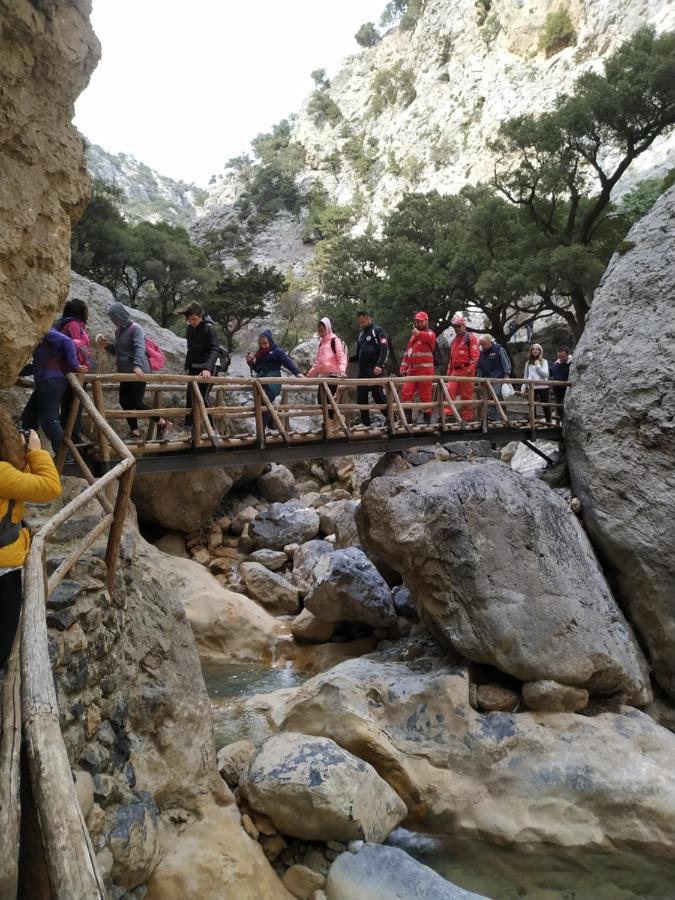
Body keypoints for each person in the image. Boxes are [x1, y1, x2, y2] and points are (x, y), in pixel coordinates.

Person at [0, 410, 61, 669]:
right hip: (3, 570)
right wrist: (36, 452)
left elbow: (17, 485)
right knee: (2, 644)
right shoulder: (2, 473)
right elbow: (50, 487)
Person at [96, 302, 169, 441]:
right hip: (125, 372)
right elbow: (119, 351)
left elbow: (139, 348)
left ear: (120, 315)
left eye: (114, 317)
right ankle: (135, 431)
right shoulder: (119, 331)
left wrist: (137, 365)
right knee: (124, 401)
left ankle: (163, 423)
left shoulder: (136, 329)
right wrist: (107, 346)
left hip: (138, 371)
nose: (113, 321)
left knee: (136, 402)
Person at [21, 327, 87, 453]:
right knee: (28, 417)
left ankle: (65, 456)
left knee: (48, 420)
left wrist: (75, 365)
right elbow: (37, 365)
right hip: (45, 382)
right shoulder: (38, 337)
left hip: (51, 382)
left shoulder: (45, 332)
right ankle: (32, 452)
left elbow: (67, 341)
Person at [246, 330, 302, 431]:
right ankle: (272, 423)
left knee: (265, 401)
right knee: (261, 404)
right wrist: (251, 363)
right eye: (261, 344)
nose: (263, 346)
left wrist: (298, 373)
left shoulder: (277, 351)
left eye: (265, 343)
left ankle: (261, 432)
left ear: (270, 341)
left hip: (273, 382)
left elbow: (288, 363)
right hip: (261, 382)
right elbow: (258, 369)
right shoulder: (259, 354)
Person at [56, 298, 94, 444]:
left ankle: (68, 443)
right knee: (74, 409)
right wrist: (81, 363)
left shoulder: (64, 324)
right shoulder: (74, 325)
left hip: (65, 371)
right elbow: (76, 347)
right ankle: (74, 441)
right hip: (75, 372)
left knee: (67, 408)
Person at [181, 301, 220, 429]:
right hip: (194, 367)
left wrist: (208, 368)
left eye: (194, 319)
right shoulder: (189, 330)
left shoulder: (209, 328)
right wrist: (187, 365)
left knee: (202, 396)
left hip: (207, 368)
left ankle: (211, 429)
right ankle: (189, 428)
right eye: (190, 319)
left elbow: (215, 349)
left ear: (201, 316)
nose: (192, 322)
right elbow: (190, 349)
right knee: (190, 397)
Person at [306, 318, 348, 434]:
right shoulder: (322, 343)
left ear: (328, 328)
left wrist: (342, 370)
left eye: (322, 330)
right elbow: (319, 363)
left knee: (328, 399)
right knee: (321, 399)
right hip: (324, 376)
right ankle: (333, 422)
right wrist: (309, 375)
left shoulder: (335, 340)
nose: (321, 333)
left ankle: (331, 423)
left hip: (334, 374)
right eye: (319, 331)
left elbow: (341, 357)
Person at [350, 310, 389, 428]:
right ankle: (365, 422)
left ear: (369, 318)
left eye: (363, 321)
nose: (361, 324)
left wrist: (379, 365)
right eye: (359, 322)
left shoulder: (378, 331)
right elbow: (357, 355)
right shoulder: (361, 335)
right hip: (362, 371)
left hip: (374, 369)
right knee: (361, 396)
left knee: (377, 395)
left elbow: (384, 349)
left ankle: (392, 417)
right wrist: (347, 359)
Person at [399, 312, 436, 425]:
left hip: (425, 370)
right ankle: (408, 417)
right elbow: (408, 352)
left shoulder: (429, 333)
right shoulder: (413, 336)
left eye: (421, 321)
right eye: (417, 321)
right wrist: (403, 365)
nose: (419, 323)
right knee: (406, 391)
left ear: (426, 321)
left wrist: (418, 333)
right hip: (412, 370)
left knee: (425, 394)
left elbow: (429, 337)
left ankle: (426, 418)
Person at [446, 313, 480, 422]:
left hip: (466, 369)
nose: (457, 329)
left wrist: (471, 368)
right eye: (455, 327)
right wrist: (449, 371)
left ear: (463, 326)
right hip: (455, 370)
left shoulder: (470, 337)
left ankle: (468, 416)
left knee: (466, 394)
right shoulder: (454, 340)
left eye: (459, 326)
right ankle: (448, 414)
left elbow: (475, 354)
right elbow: (451, 358)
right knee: (449, 390)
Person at [477, 335, 512, 421]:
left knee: (496, 395)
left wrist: (507, 375)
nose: (483, 347)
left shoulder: (499, 349)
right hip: (486, 378)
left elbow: (505, 361)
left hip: (498, 377)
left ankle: (501, 417)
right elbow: (479, 365)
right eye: (481, 345)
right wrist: (479, 377)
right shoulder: (481, 352)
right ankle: (492, 417)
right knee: (488, 398)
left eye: (485, 344)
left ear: (490, 342)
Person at [521, 343, 551, 423]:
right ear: (531, 351)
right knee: (532, 405)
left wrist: (538, 366)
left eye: (537, 349)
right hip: (532, 387)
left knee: (545, 405)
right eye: (533, 349)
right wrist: (523, 387)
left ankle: (548, 421)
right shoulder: (528, 363)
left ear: (540, 351)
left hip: (543, 387)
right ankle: (533, 421)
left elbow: (546, 375)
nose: (535, 351)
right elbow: (526, 376)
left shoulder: (544, 361)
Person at [550, 347, 572, 421]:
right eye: (559, 357)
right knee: (558, 408)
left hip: (567, 391)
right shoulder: (556, 364)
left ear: (567, 355)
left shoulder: (572, 363)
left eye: (563, 357)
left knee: (565, 408)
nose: (561, 359)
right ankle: (559, 423)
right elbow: (550, 373)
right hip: (557, 391)